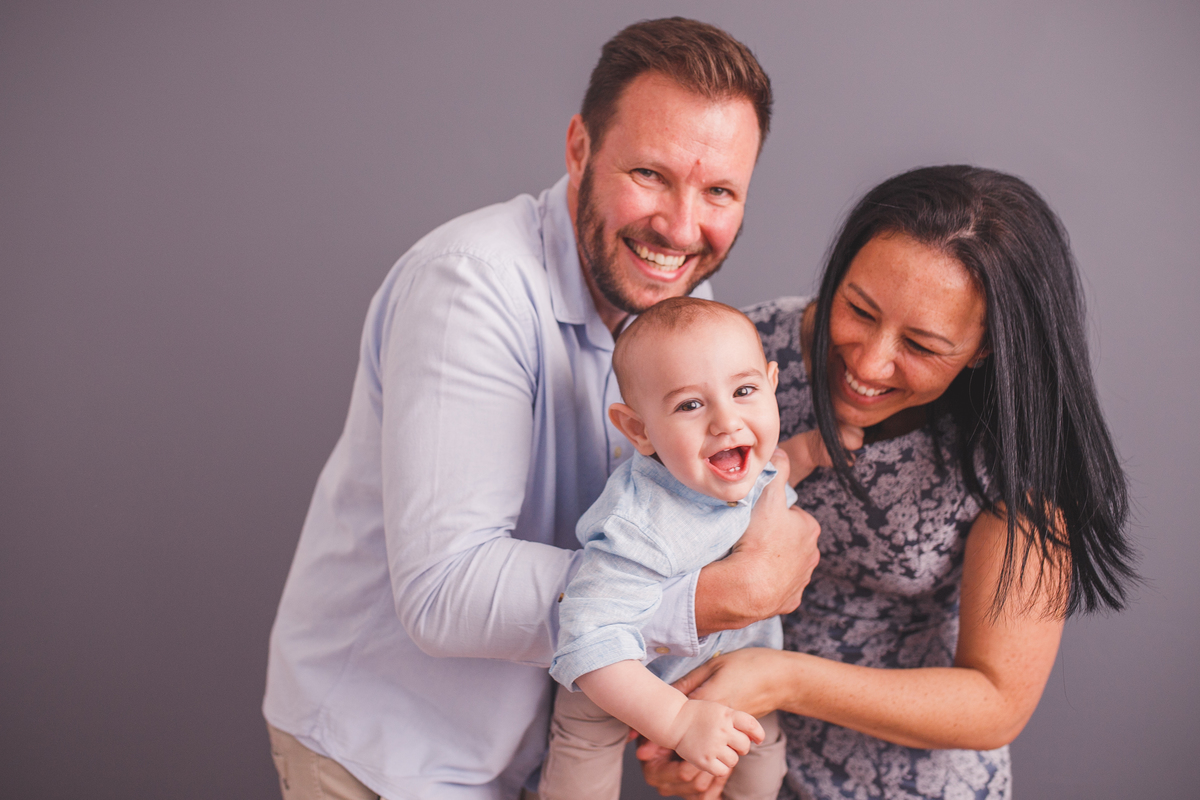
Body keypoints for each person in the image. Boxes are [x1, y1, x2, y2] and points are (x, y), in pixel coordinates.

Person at [262, 18, 823, 800]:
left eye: (720, 191)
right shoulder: (471, 288)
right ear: (578, 148)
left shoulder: (678, 302)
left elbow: (652, 523)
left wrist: (679, 714)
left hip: (535, 753)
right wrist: (719, 597)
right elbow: (446, 592)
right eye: (652, 175)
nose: (682, 227)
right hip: (389, 754)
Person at [639, 165, 1138, 800]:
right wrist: (667, 725)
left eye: (923, 346)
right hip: (739, 757)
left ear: (985, 348)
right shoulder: (735, 353)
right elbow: (648, 535)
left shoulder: (1016, 461)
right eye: (857, 308)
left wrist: (780, 679)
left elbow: (996, 700)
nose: (868, 363)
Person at [541, 298, 806, 800]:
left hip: (739, 666)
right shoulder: (638, 521)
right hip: (624, 680)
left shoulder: (755, 465)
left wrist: (812, 452)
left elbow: (784, 465)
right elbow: (590, 639)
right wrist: (679, 721)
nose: (727, 421)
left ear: (773, 386)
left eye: (745, 390)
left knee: (762, 768)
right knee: (583, 750)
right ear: (639, 430)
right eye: (690, 405)